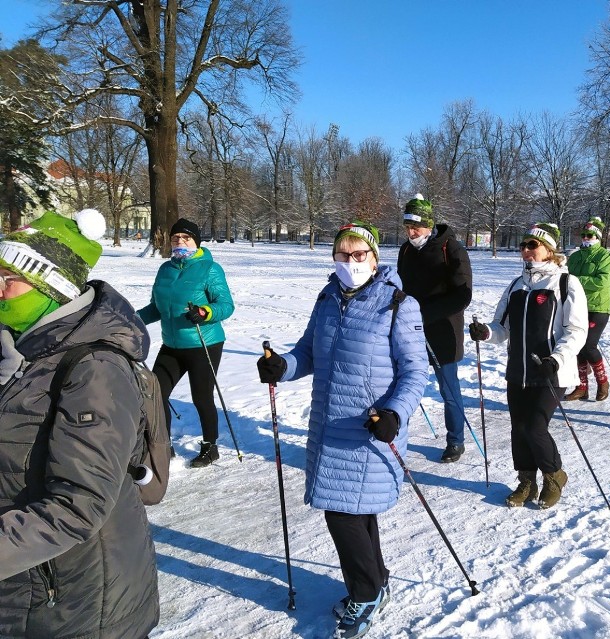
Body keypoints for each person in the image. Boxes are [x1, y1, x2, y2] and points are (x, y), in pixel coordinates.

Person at [257, 220, 428, 639]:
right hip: (329, 427)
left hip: (370, 429)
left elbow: (415, 372)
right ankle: (376, 578)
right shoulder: (328, 297)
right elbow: (308, 352)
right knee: (356, 509)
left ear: (374, 258)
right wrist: (283, 365)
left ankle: (367, 592)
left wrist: (395, 414)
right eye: (342, 254)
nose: (350, 262)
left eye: (358, 255)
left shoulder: (398, 304)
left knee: (344, 514)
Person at [0, 210, 159, 639]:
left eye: (7, 279)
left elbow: (77, 506)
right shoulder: (21, 348)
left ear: (50, 285)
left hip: (77, 597)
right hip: (24, 581)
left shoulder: (95, 370)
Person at [468, 223, 588, 510]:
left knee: (535, 427)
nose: (525, 250)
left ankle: (554, 475)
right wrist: (485, 332)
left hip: (551, 372)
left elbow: (577, 330)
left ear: (549, 249)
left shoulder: (565, 283)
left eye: (532, 245)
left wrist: (556, 359)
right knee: (518, 429)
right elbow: (501, 327)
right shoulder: (516, 285)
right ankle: (526, 481)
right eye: (523, 245)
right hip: (518, 371)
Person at [137, 218, 234, 467]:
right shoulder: (165, 270)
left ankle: (210, 447)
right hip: (172, 344)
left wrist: (205, 312)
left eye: (186, 238)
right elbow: (157, 308)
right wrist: (132, 319)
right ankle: (162, 446)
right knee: (156, 393)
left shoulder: (210, 268)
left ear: (196, 242)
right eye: (175, 238)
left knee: (201, 397)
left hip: (204, 343)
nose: (180, 242)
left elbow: (225, 305)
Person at [396, 193, 473, 463]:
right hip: (410, 330)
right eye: (407, 227)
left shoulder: (450, 248)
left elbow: (463, 295)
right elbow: (401, 286)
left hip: (442, 331)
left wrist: (424, 313)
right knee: (402, 384)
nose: (411, 232)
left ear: (429, 225)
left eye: (416, 227)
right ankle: (394, 437)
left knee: (448, 390)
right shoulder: (406, 250)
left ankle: (456, 441)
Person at [565, 216, 610, 402]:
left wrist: (576, 281)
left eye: (590, 235)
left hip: (598, 307)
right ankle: (581, 386)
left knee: (589, 345)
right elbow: (565, 277)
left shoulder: (605, 256)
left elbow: (602, 282)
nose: (586, 238)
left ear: (598, 236)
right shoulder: (576, 256)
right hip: (577, 306)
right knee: (577, 345)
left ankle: (602, 381)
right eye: (584, 234)